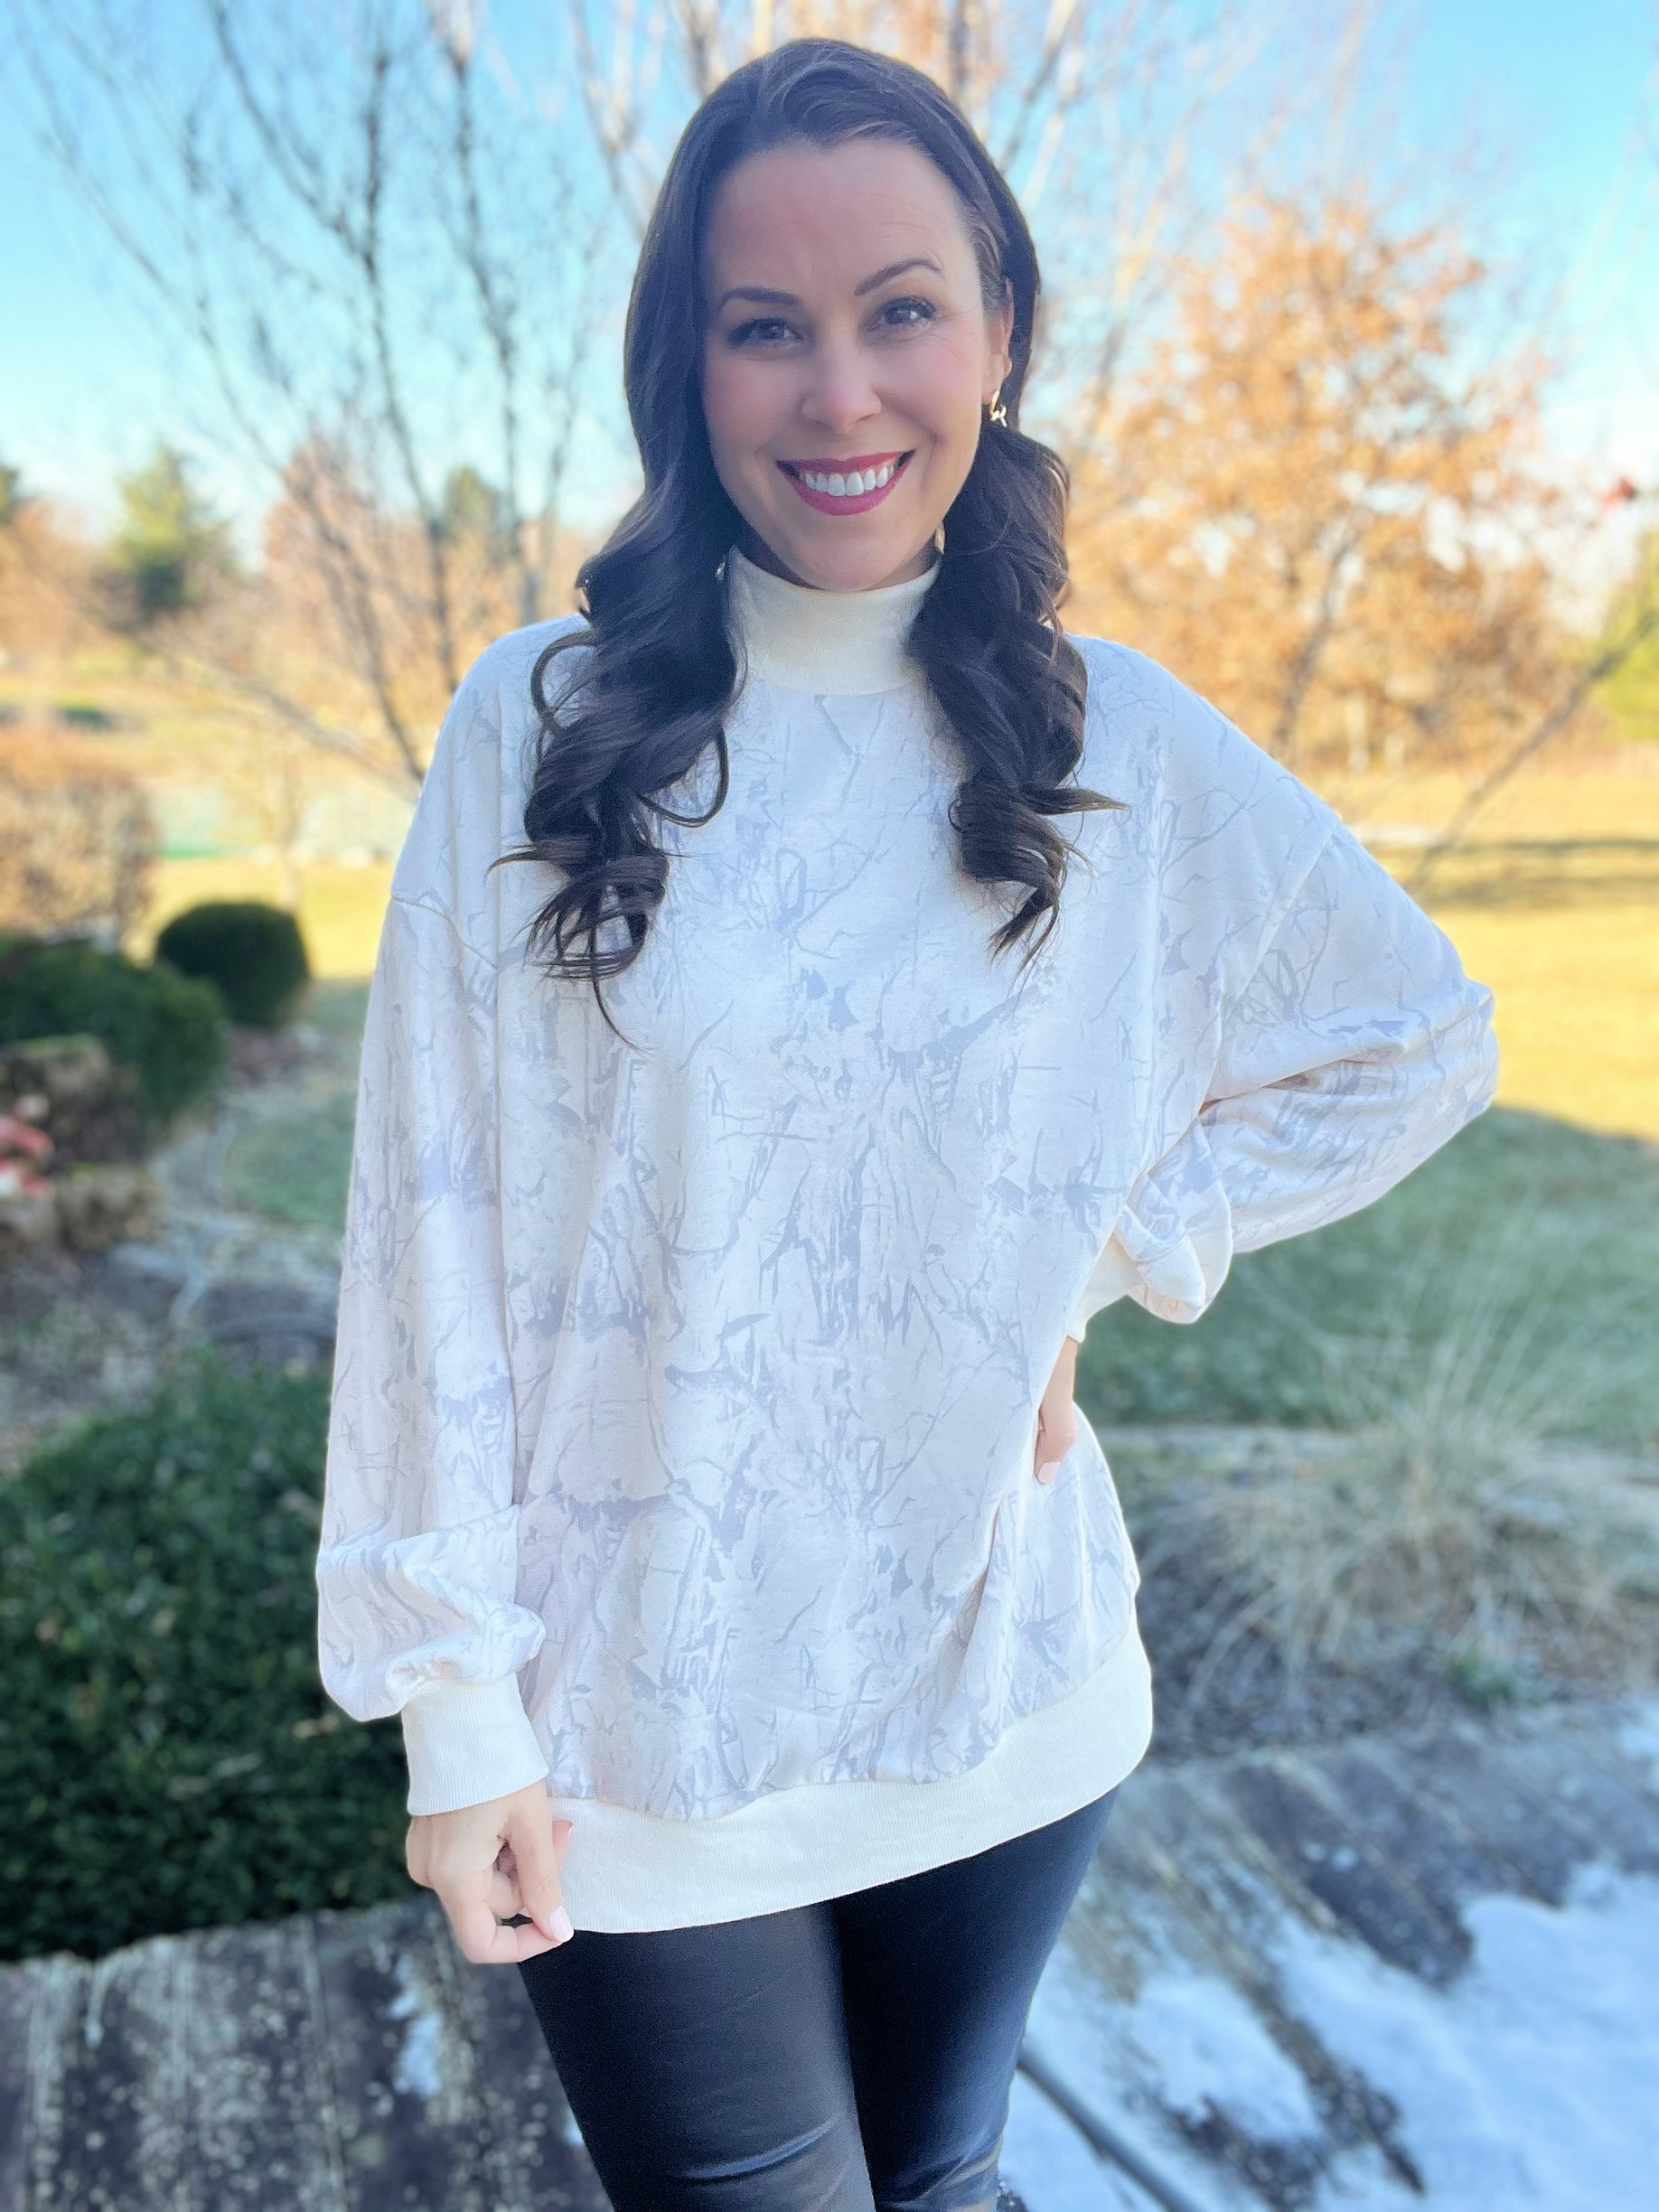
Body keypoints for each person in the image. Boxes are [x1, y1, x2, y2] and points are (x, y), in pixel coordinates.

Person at [314, 36, 1499, 2212]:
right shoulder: (536, 729)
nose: (842, 393)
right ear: (685, 365)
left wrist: (1102, 1254)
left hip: (1006, 1686)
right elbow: (428, 1235)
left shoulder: (1114, 739)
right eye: (765, 326)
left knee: (940, 2183)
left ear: (1000, 326)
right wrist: (455, 1708)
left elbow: (1415, 1039)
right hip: (642, 1730)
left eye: (902, 311)